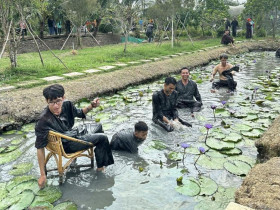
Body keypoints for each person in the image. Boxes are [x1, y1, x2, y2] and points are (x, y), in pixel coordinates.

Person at [35, 84, 114, 188]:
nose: (55, 106)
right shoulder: (43, 120)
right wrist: (42, 175)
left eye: (58, 101)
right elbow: (40, 148)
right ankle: (100, 169)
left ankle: (100, 158)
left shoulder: (67, 105)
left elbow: (79, 113)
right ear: (47, 101)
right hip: (67, 144)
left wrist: (91, 106)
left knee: (98, 126)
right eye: (51, 102)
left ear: (63, 98)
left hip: (71, 134)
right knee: (103, 138)